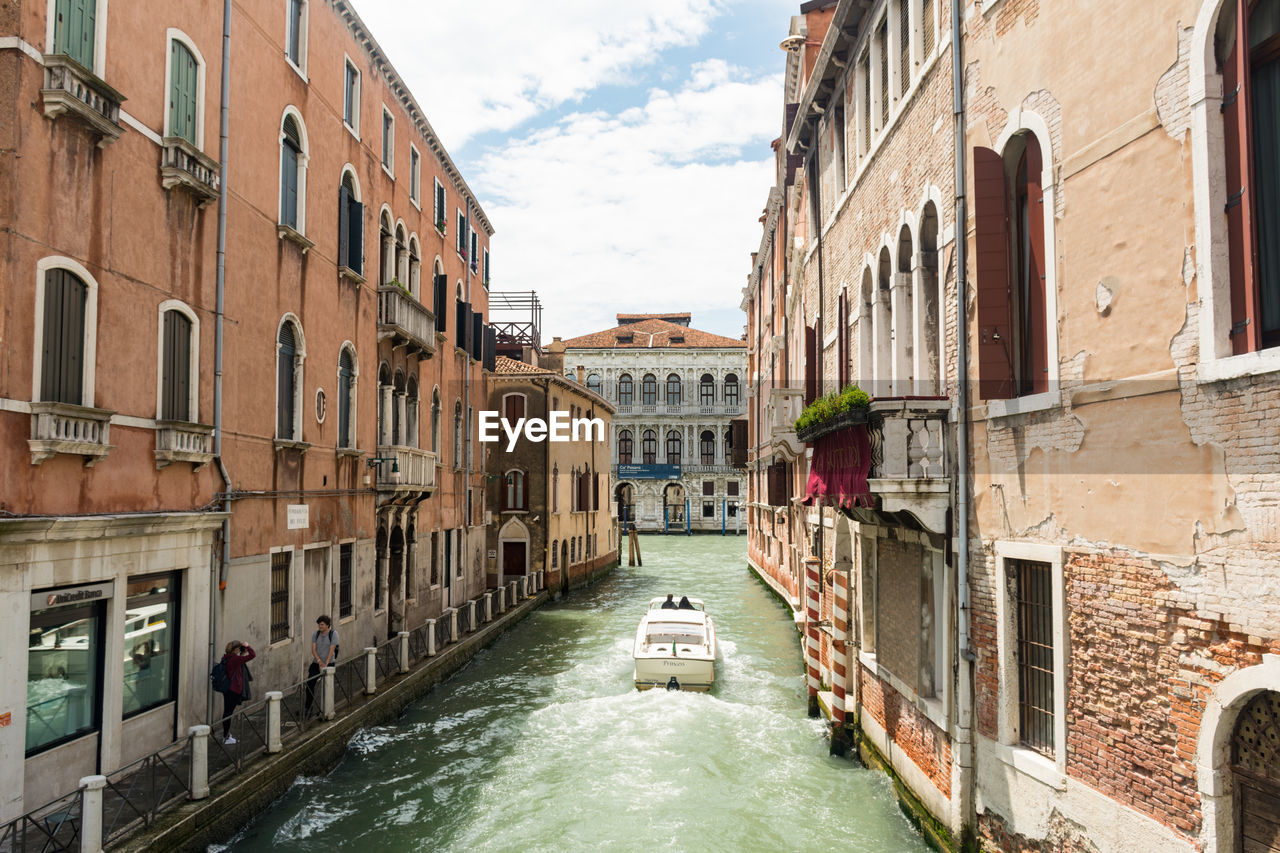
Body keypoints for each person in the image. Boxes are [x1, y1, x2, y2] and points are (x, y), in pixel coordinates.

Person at [219, 640, 255, 744]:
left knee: (227, 711)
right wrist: (248, 646)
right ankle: (226, 737)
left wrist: (242, 654)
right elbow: (252, 655)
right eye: (239, 648)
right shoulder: (235, 659)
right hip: (234, 689)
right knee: (228, 713)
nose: (240, 650)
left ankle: (226, 735)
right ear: (236, 649)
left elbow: (237, 663)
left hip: (227, 689)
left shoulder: (226, 657)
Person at [305, 615, 339, 717]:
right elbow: (313, 650)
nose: (320, 626)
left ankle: (327, 709)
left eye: (322, 624)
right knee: (309, 684)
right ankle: (308, 707)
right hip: (317, 663)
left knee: (327, 686)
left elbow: (331, 650)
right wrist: (319, 662)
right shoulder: (315, 634)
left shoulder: (333, 634)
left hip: (329, 663)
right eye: (319, 624)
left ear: (327, 625)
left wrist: (326, 664)